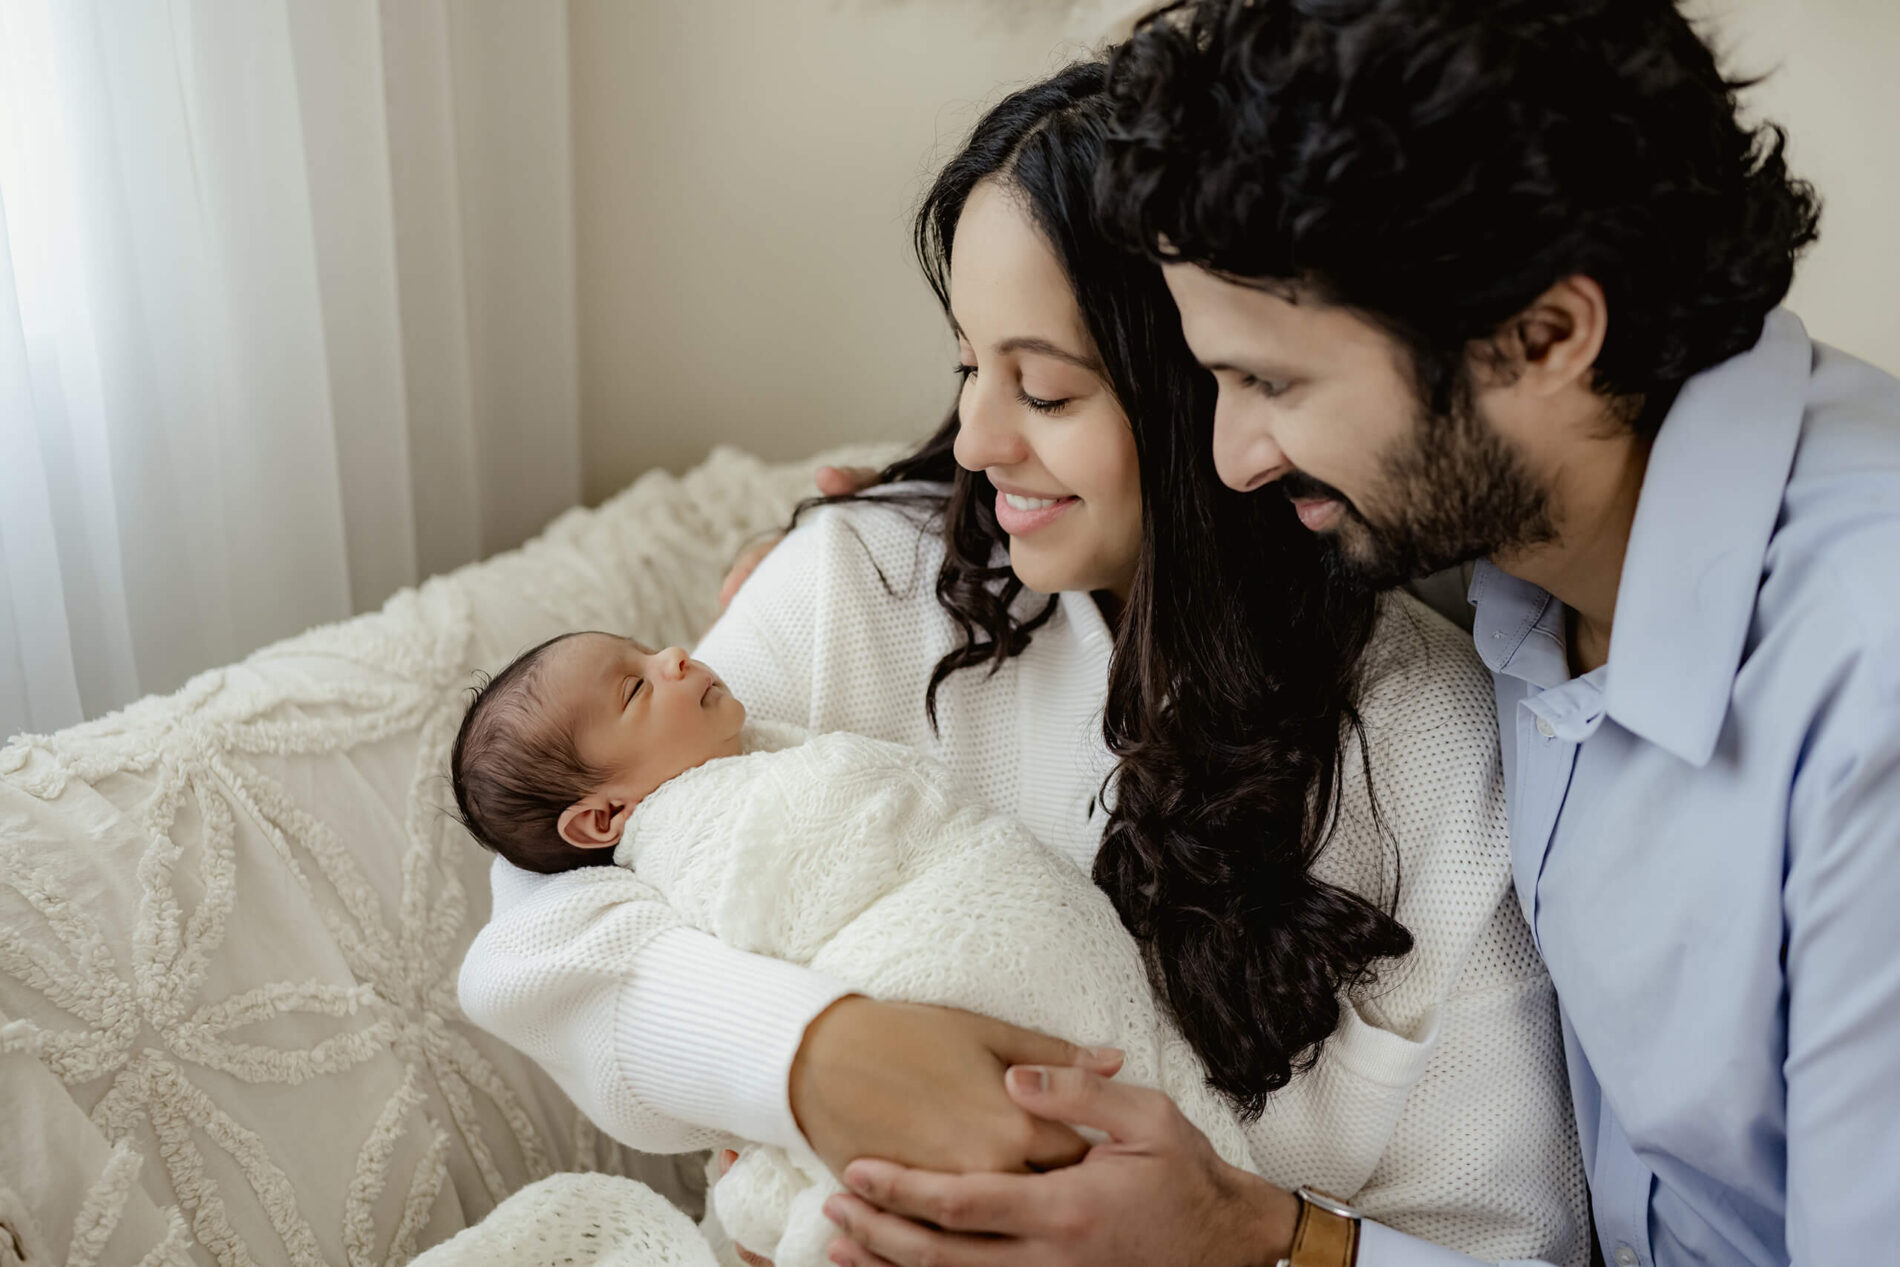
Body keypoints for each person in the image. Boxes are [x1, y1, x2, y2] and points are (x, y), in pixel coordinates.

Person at [819, 3, 1900, 1265]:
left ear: (1544, 336)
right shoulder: (1534, 521)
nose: (1230, 457)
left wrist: (1261, 1243)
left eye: (1272, 384)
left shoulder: (1863, 695)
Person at [459, 62, 1586, 1265]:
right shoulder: (867, 580)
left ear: (1218, 385)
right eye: (967, 367)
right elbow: (543, 911)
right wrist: (808, 1056)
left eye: (1044, 388)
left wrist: (1240, 1234)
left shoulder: (1427, 746)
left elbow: (1517, 1237)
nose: (980, 442)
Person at [446, 630, 1252, 1265]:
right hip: (922, 988)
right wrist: (805, 1055)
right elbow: (536, 936)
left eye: (649, 648)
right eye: (635, 683)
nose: (675, 654)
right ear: (602, 819)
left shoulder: (745, 747)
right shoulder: (691, 831)